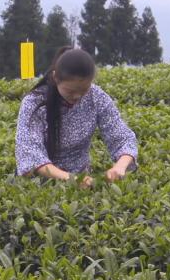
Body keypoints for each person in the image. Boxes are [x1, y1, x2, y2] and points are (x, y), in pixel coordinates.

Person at [16, 47, 138, 187]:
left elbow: (123, 138)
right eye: (70, 91)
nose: (77, 96)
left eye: (83, 90)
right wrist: (70, 178)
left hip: (83, 182)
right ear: (55, 78)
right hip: (41, 185)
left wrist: (119, 167)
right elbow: (30, 154)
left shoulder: (96, 97)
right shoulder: (34, 102)